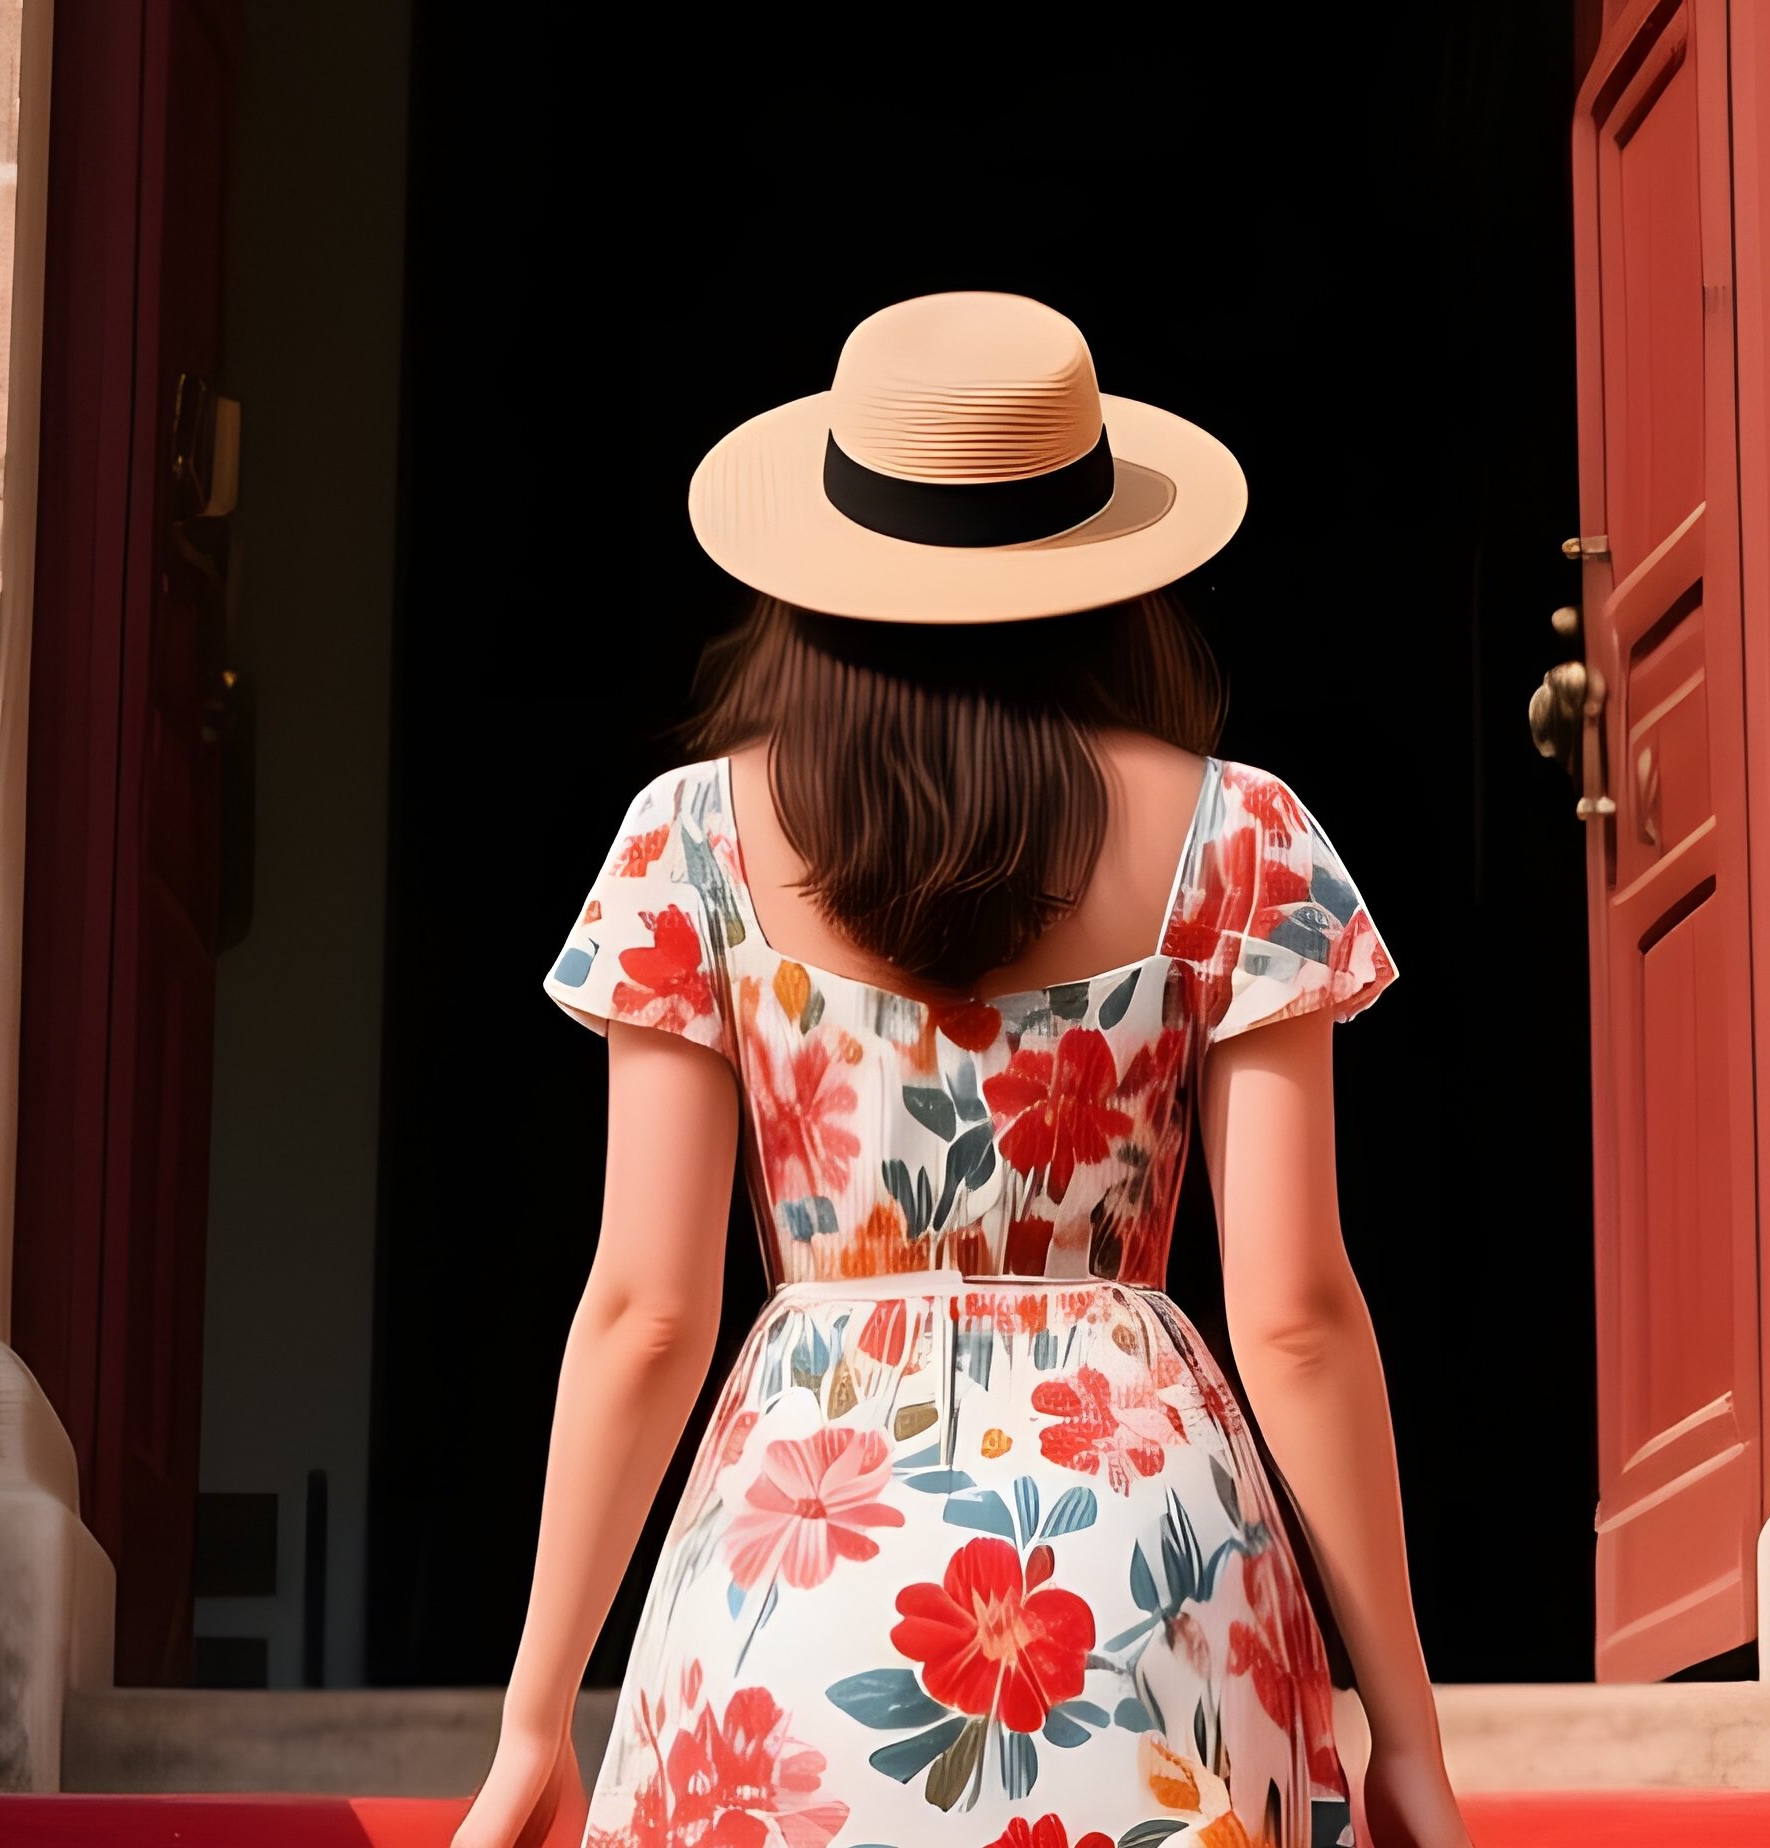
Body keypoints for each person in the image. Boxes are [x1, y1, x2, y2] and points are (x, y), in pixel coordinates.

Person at [454, 292, 1472, 1848]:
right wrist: (1406, 1733)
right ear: (1106, 564)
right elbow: (1297, 1314)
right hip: (1145, 1573)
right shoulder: (1242, 835)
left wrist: (535, 1712)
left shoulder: (691, 840)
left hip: (794, 1553)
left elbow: (647, 1310)